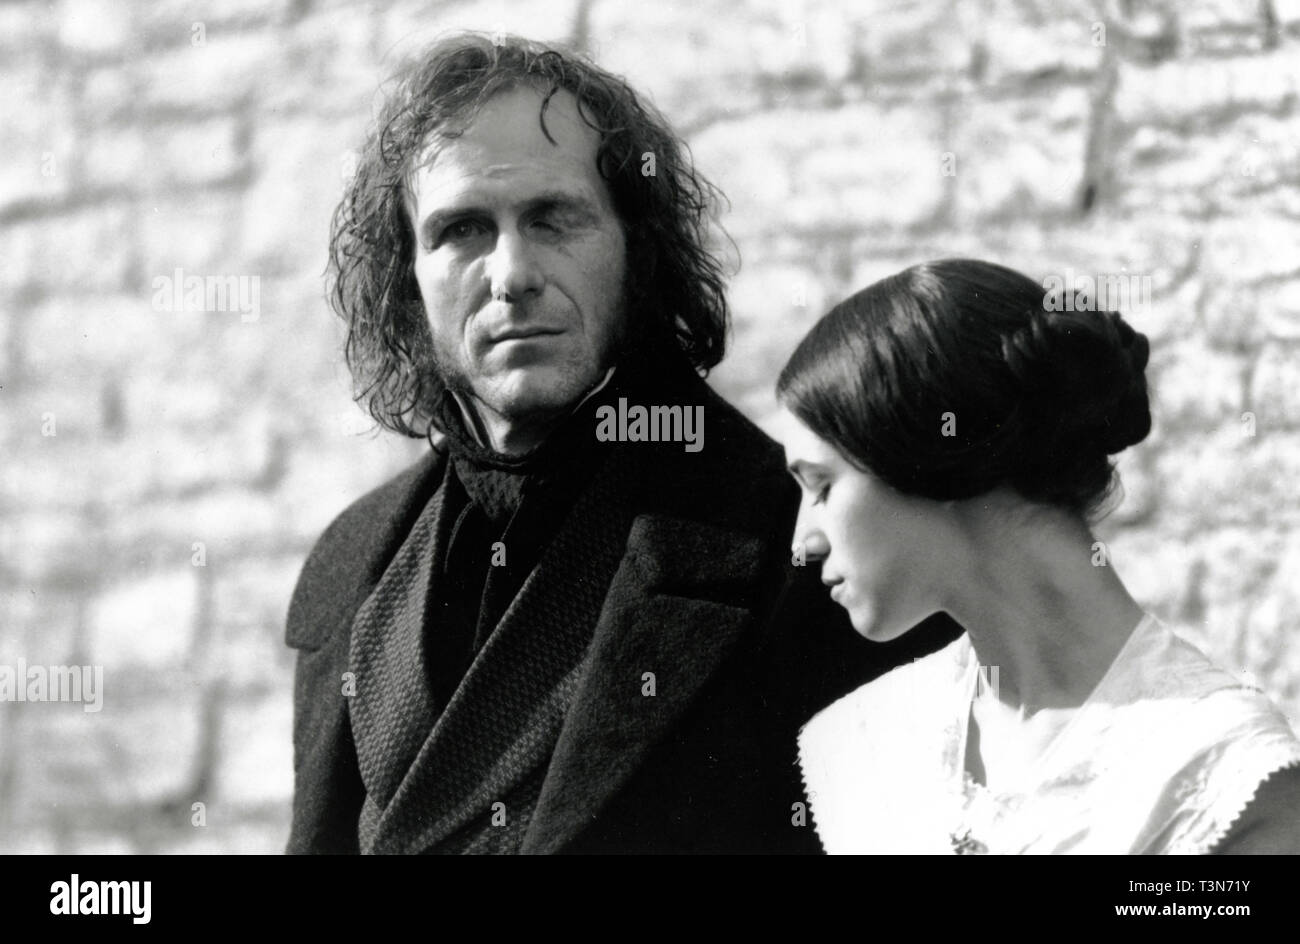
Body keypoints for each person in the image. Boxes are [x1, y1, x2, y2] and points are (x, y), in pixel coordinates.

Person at [284, 34, 959, 854]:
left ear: (636, 247)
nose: (511, 274)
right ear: (409, 276)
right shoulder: (351, 565)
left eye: (552, 218)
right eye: (461, 230)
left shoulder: (798, 543)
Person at [778, 258, 1300, 854]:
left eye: (821, 487)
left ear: (931, 454)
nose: (802, 541)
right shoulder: (869, 743)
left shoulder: (1221, 780)